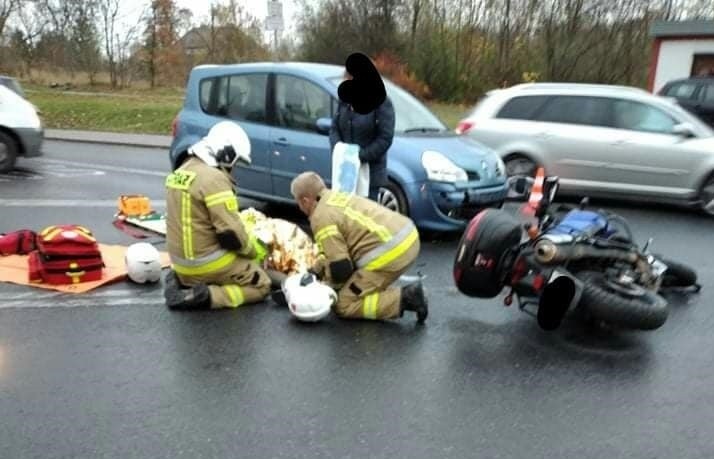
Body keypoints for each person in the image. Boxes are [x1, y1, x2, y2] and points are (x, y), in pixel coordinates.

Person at [290, 171, 428, 323]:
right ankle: (385, 293)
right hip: (406, 236)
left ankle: (407, 298)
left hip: (390, 253)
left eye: (298, 203)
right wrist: (316, 271)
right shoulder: (335, 198)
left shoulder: (320, 217)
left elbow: (341, 268)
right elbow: (334, 250)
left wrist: (327, 287)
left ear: (304, 201)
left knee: (344, 303)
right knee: (357, 285)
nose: (299, 207)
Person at [163, 121, 271, 310]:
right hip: (208, 264)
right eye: (235, 161)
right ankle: (209, 296)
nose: (234, 167)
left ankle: (182, 283)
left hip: (180, 265)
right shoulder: (214, 179)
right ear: (226, 153)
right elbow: (232, 235)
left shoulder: (180, 172)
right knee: (262, 284)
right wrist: (254, 252)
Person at [330, 52, 395, 202]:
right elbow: (334, 128)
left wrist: (358, 156)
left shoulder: (382, 103)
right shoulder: (344, 100)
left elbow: (385, 138)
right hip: (343, 172)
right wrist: (339, 150)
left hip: (369, 175)